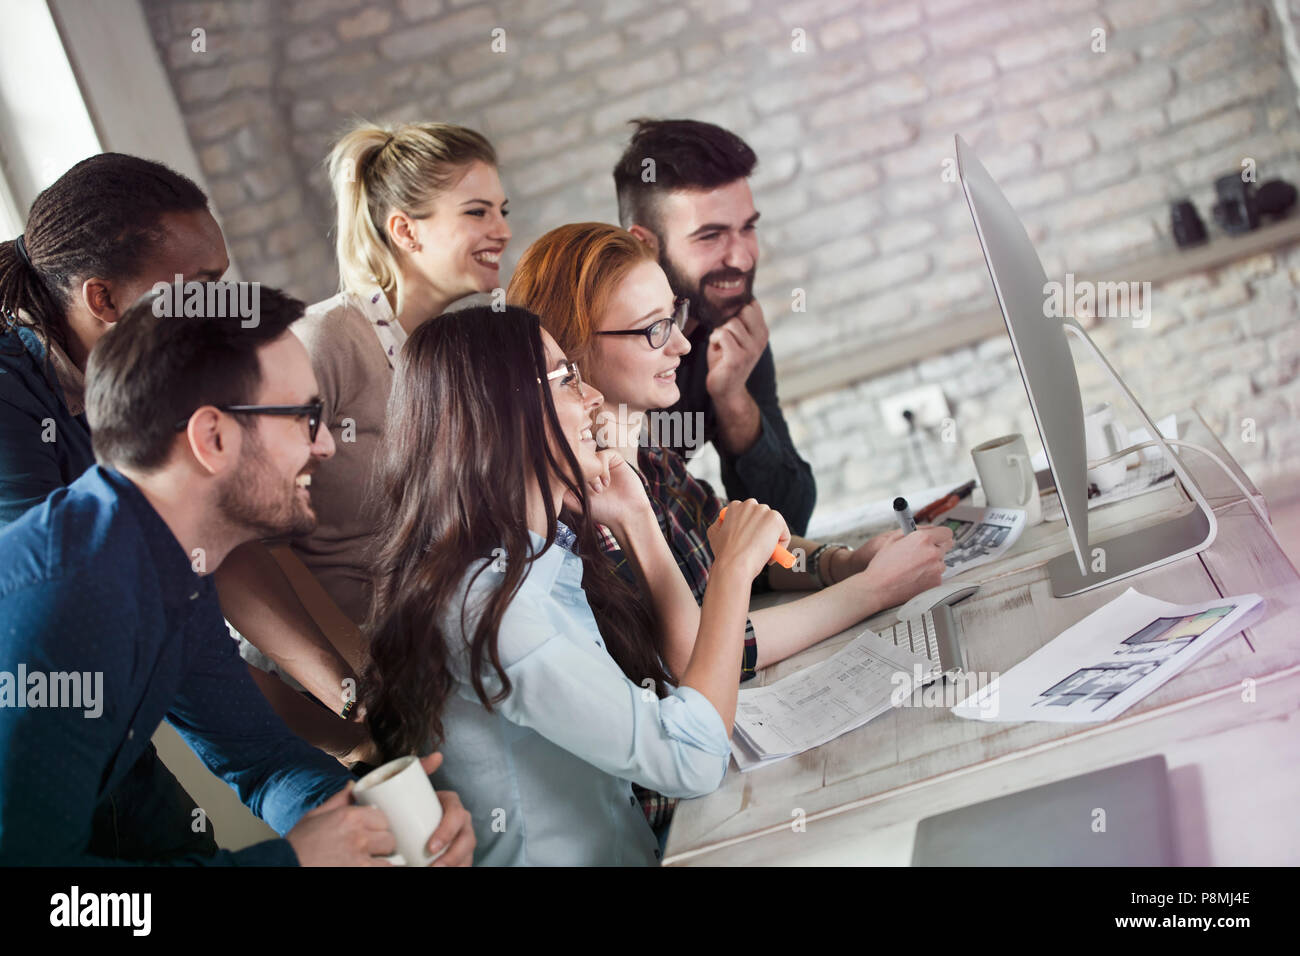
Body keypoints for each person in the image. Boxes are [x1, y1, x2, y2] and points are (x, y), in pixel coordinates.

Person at [0, 283, 474, 866]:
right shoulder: (56, 610)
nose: (325, 445)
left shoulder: (173, 564)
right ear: (213, 437)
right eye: (305, 418)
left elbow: (257, 758)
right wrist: (294, 862)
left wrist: (374, 824)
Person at [361, 306, 789, 865]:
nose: (591, 398)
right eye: (566, 379)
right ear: (499, 413)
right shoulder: (495, 606)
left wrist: (636, 514)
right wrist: (732, 572)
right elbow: (691, 760)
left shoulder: (538, 561)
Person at [0, 153, 361, 765]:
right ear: (104, 299)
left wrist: (349, 696)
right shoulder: (13, 404)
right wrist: (330, 738)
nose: (221, 311)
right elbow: (116, 597)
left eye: (221, 284)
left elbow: (212, 535)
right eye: (197, 292)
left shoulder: (161, 376)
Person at [217, 122, 511, 746]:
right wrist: (362, 693)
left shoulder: (439, 352)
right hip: (344, 694)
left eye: (503, 211)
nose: (503, 230)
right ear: (405, 230)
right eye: (478, 211)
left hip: (428, 669)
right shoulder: (324, 342)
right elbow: (248, 539)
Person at [612, 118, 816, 533]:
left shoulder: (726, 328)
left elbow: (787, 523)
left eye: (747, 228)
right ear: (642, 243)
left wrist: (731, 396)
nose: (741, 259)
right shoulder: (590, 347)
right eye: (710, 236)